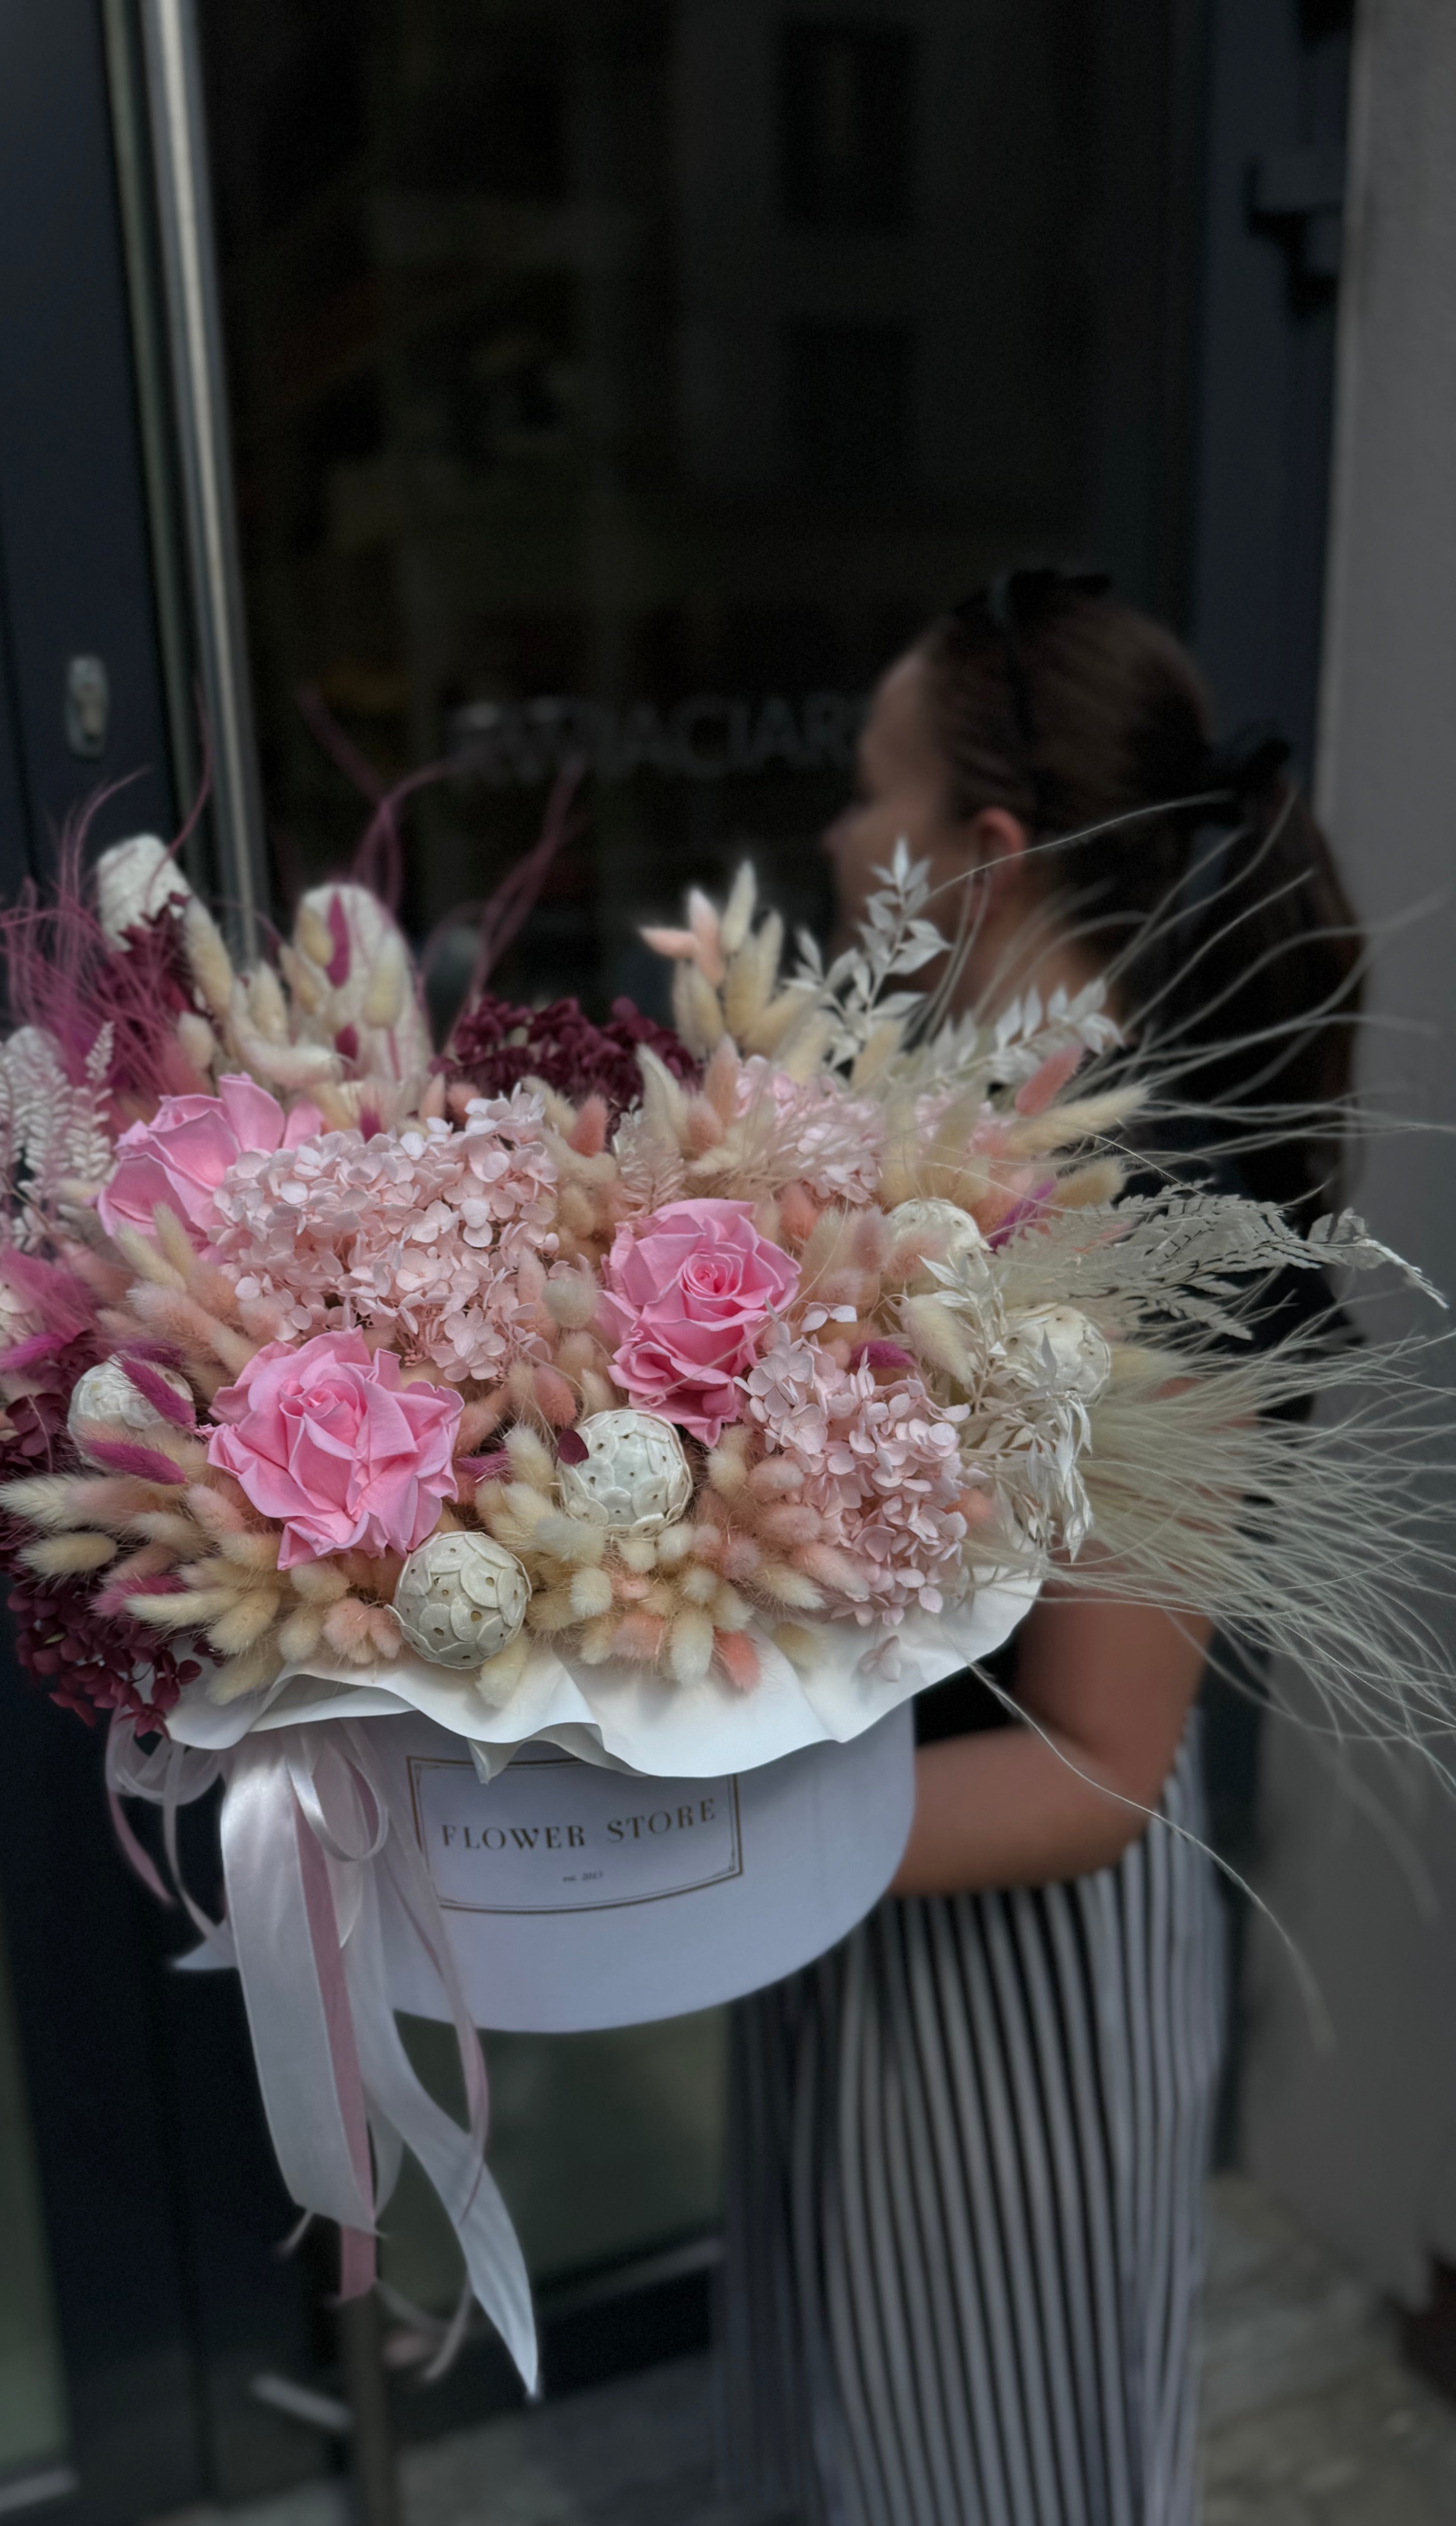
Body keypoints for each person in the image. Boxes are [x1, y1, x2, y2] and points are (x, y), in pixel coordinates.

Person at [718, 572, 1362, 2526]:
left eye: (867, 794)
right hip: (858, 1916)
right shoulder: (916, 1152)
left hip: (1005, 1995)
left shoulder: (1147, 1214)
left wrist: (701, 1840)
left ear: (982, 857)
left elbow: (1099, 1766)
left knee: (984, 2465)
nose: (834, 842)